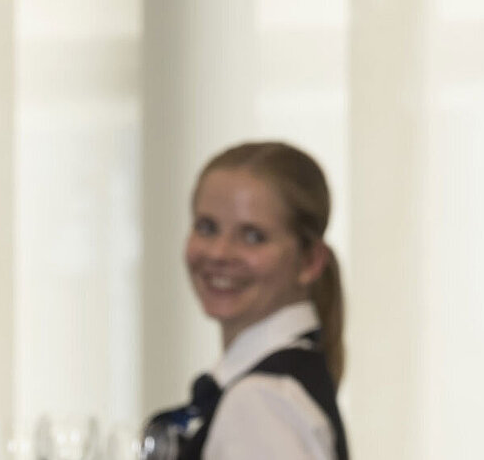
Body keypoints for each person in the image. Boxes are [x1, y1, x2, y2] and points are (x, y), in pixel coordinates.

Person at [148, 141, 350, 460]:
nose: (218, 253)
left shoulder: (261, 401)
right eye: (207, 227)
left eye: (252, 236)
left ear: (310, 260)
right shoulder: (270, 387)